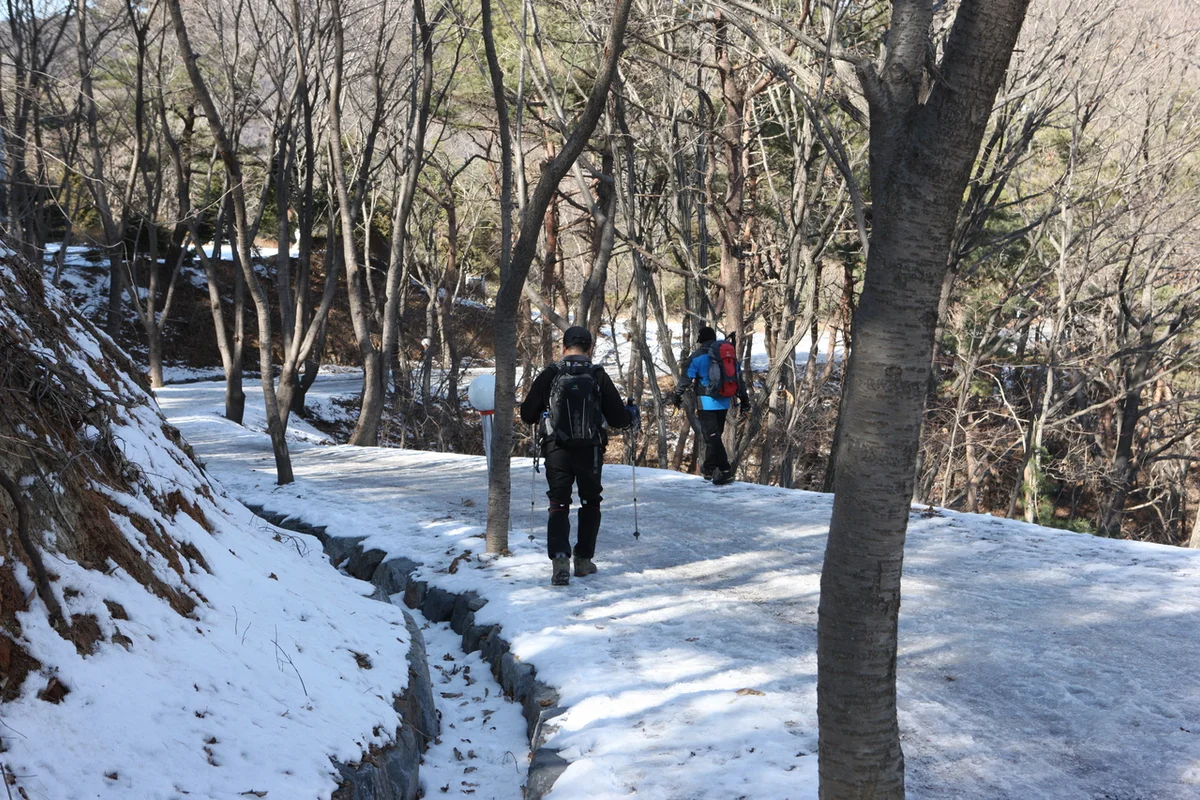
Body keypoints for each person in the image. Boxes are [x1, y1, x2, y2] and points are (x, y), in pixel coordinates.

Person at [520, 326, 637, 586]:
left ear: (563, 347)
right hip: (590, 449)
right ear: (590, 348)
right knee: (590, 501)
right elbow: (618, 418)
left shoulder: (551, 373)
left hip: (556, 448)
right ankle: (583, 560)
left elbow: (527, 414)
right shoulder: (597, 374)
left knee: (559, 501)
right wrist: (631, 414)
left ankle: (560, 561)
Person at [670, 326, 750, 485]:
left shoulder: (697, 357)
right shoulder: (726, 354)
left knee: (712, 437)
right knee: (714, 436)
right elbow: (738, 379)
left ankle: (726, 471)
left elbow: (686, 379)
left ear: (701, 340)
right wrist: (745, 400)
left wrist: (677, 395)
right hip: (725, 400)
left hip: (706, 402)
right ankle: (708, 469)